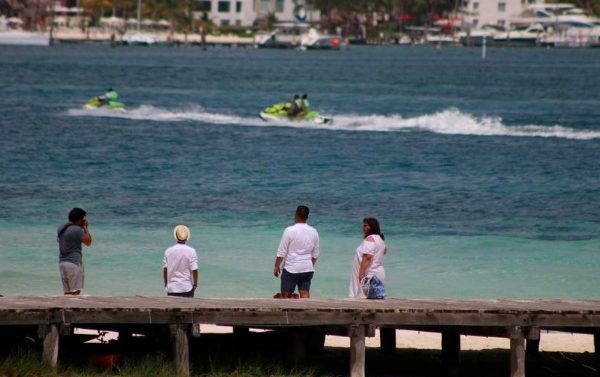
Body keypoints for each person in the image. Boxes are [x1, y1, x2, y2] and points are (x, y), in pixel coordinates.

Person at [273, 205, 320, 298]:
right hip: (307, 268)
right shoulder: (314, 232)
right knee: (305, 293)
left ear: (296, 215)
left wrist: (276, 266)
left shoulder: (289, 231)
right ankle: (307, 311)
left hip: (291, 268)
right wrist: (309, 266)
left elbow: (281, 252)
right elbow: (315, 255)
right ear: (307, 217)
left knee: (286, 295)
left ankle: (287, 312)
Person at [57, 207, 92, 295]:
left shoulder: (61, 228)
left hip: (62, 263)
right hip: (73, 263)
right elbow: (88, 242)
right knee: (76, 293)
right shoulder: (77, 230)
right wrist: (85, 228)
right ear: (80, 219)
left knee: (67, 293)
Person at [349, 217, 387, 299]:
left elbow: (367, 257)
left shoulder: (370, 239)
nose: (363, 228)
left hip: (369, 275)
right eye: (363, 226)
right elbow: (384, 251)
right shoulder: (379, 239)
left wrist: (361, 275)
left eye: (366, 226)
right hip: (376, 273)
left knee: (362, 298)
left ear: (372, 227)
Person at [163, 225, 198, 298]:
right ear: (187, 237)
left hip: (172, 287)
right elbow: (194, 269)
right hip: (187, 287)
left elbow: (165, 269)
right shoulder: (191, 251)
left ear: (175, 236)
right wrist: (195, 285)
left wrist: (166, 285)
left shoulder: (168, 251)